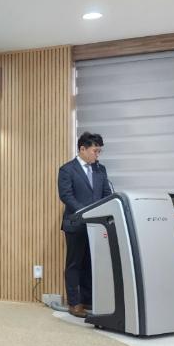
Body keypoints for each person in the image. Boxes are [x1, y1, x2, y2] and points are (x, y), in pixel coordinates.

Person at [58, 132, 111, 318]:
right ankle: (74, 303)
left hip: (96, 225)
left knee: (90, 263)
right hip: (76, 224)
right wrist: (85, 212)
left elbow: (106, 193)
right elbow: (66, 195)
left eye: (99, 151)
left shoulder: (100, 170)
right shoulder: (67, 170)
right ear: (82, 149)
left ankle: (87, 299)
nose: (97, 155)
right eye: (95, 151)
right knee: (74, 264)